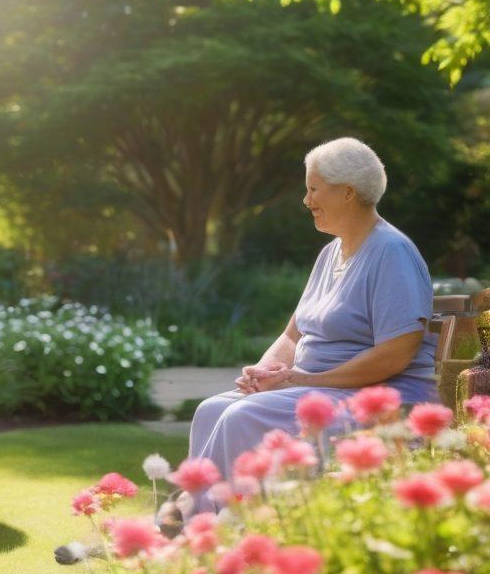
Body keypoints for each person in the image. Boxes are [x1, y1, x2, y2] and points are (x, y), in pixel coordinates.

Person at [187, 137, 437, 505]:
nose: (306, 201)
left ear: (348, 192)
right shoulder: (329, 253)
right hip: (318, 389)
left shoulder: (391, 252)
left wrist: (305, 379)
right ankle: (195, 522)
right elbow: (292, 334)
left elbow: (395, 355)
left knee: (241, 416)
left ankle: (210, 533)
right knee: (212, 409)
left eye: (314, 189)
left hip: (374, 400)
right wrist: (262, 372)